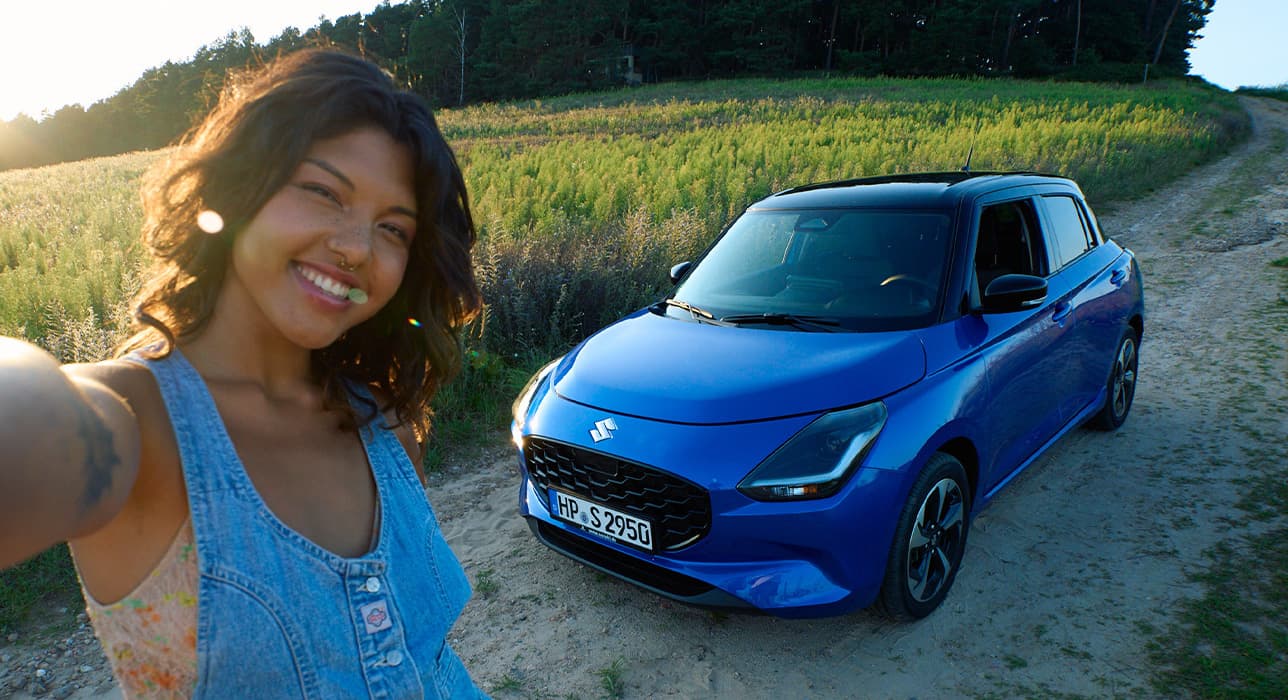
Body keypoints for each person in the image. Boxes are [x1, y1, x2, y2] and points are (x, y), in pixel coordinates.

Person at [0, 49, 489, 698]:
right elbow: (34, 415)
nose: (356, 248)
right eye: (321, 191)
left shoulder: (383, 419)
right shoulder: (137, 428)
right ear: (239, 189)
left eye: (393, 229)